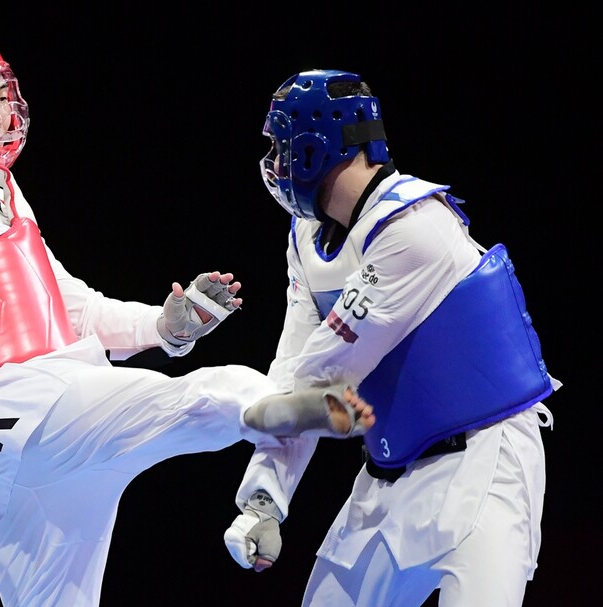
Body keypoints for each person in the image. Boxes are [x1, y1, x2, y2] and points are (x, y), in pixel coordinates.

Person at [0, 34, 376, 607]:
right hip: (29, 409)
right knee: (196, 397)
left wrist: (163, 328)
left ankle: (257, 406)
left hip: (10, 463)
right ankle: (261, 404)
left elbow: (71, 307)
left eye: (0, 95)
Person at [223, 69, 561, 606]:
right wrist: (264, 498)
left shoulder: (415, 227)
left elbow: (321, 375)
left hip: (486, 462)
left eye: (281, 147)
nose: (275, 164)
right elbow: (293, 373)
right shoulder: (305, 240)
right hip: (388, 473)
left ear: (314, 147)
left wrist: (242, 410)